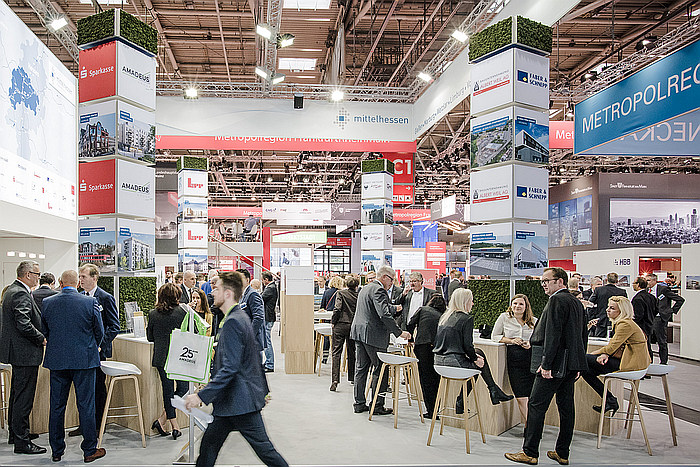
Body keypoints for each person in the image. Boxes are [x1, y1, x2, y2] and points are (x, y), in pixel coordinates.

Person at [184, 272, 288, 467]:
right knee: (208, 449)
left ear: (228, 293)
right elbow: (252, 359)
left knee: (266, 452)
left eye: (217, 289)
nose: (213, 292)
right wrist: (263, 391)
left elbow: (230, 368)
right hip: (233, 402)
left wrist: (201, 396)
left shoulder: (233, 321)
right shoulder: (237, 317)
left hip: (239, 402)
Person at [505, 267, 588, 466]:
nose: (543, 284)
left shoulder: (557, 300)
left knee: (535, 405)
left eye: (547, 280)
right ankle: (562, 452)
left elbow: (553, 334)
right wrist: (578, 365)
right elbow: (582, 335)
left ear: (560, 281)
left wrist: (547, 364)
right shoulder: (576, 302)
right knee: (566, 408)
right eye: (542, 281)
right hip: (570, 365)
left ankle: (530, 452)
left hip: (554, 365)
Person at [42, 270, 106, 463]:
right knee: (86, 406)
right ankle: (89, 450)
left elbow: (45, 330)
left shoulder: (48, 303)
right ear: (77, 283)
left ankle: (56, 450)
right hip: (84, 360)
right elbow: (100, 331)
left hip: (58, 361)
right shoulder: (89, 302)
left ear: (60, 283)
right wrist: (91, 346)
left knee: (57, 406)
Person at [433, 288, 513, 413]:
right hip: (454, 364)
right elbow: (467, 346)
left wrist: (475, 357)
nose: (473, 303)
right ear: (465, 302)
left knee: (478, 353)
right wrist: (475, 359)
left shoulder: (445, 317)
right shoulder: (466, 318)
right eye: (471, 300)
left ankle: (490, 391)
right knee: (478, 362)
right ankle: (470, 397)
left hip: (438, 363)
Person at [350, 265, 412, 415]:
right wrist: (399, 333)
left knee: (361, 369)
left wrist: (392, 307)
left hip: (360, 333)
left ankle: (359, 403)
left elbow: (374, 308)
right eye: (391, 280)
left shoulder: (365, 288)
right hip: (373, 335)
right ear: (384, 277)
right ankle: (377, 405)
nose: (392, 283)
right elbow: (382, 314)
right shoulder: (379, 289)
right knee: (380, 369)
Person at [0, 260, 47, 454]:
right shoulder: (20, 293)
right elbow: (24, 324)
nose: (38, 277)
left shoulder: (12, 290)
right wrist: (41, 339)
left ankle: (16, 433)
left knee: (17, 395)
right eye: (37, 274)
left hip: (19, 353)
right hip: (25, 353)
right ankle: (22, 441)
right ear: (28, 275)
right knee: (24, 398)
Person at [69, 264, 120, 439]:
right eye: (80, 277)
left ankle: (99, 425)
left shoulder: (105, 298)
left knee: (98, 388)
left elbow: (114, 326)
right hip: (81, 352)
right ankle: (84, 425)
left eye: (84, 276)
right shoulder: (79, 297)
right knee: (82, 390)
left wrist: (100, 345)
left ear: (94, 277)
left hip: (98, 353)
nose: (81, 280)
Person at [582, 296, 650, 416]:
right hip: (629, 361)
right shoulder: (625, 323)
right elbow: (617, 347)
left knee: (583, 360)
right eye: (608, 307)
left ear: (622, 311)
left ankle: (610, 399)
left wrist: (593, 354)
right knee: (586, 370)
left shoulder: (625, 324)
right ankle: (610, 400)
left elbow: (611, 347)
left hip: (631, 364)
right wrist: (605, 354)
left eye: (612, 308)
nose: (608, 310)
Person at [146, 283, 188, 440]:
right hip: (179, 357)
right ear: (176, 296)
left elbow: (150, 337)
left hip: (161, 358)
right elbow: (193, 332)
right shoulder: (183, 312)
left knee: (167, 390)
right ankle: (174, 425)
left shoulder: (153, 313)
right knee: (183, 388)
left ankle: (164, 420)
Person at [492, 294, 537, 424]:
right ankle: (531, 427)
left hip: (531, 360)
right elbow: (495, 336)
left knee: (532, 397)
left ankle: (530, 427)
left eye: (521, 304)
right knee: (521, 396)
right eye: (515, 303)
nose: (517, 306)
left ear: (526, 306)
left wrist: (530, 343)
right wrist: (511, 340)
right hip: (515, 361)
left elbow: (540, 340)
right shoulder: (504, 318)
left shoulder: (534, 321)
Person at [407, 292, 445, 418]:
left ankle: (430, 410)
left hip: (422, 346)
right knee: (436, 378)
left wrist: (411, 338)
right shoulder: (444, 315)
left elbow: (410, 323)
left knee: (425, 378)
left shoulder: (422, 310)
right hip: (438, 348)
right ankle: (437, 408)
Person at [647, 273, 684, 364]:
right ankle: (649, 362)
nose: (647, 282)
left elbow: (680, 299)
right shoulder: (646, 290)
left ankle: (663, 362)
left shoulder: (663, 289)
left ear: (654, 280)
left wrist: (670, 311)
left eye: (648, 280)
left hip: (660, 318)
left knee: (661, 341)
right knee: (647, 342)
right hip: (649, 318)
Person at [330, 276, 359, 392]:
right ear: (356, 286)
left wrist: (333, 321)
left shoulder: (341, 293)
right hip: (353, 326)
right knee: (352, 351)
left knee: (336, 352)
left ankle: (335, 380)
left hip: (340, 325)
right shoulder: (359, 295)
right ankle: (352, 377)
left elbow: (337, 308)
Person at [588, 272, 627, 337]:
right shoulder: (622, 292)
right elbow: (625, 307)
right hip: (616, 321)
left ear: (606, 280)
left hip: (601, 320)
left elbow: (589, 304)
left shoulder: (599, 290)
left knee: (598, 343)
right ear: (617, 281)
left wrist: (592, 317)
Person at [236, 269, 266, 352]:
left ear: (247, 280)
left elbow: (259, 317)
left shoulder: (252, 294)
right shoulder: (242, 295)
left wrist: (249, 336)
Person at [631, 276, 657, 359]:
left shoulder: (638, 298)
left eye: (634, 283)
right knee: (648, 346)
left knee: (642, 346)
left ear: (638, 285)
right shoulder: (651, 297)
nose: (632, 285)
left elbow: (638, 315)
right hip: (649, 325)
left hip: (641, 327)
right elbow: (656, 309)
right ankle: (649, 361)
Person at [261, 271, 278, 373]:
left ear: (266, 280)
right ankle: (268, 362)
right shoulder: (271, 287)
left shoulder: (270, 288)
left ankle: (270, 364)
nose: (262, 281)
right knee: (266, 340)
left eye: (263, 279)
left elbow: (261, 298)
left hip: (268, 317)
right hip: (268, 316)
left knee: (267, 341)